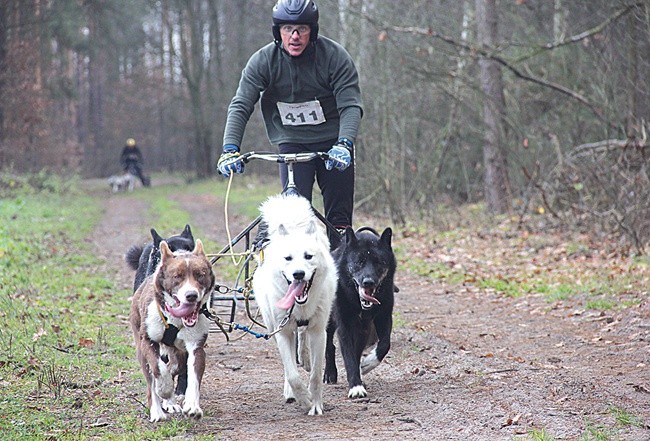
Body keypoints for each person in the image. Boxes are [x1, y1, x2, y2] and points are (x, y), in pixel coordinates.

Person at [217, 0, 362, 245]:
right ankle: (297, 278)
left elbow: (351, 105)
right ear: (278, 32)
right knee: (295, 217)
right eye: (287, 29)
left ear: (312, 31)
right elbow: (241, 104)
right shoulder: (263, 61)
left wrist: (345, 143)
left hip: (333, 144)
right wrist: (230, 148)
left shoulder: (334, 57)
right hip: (291, 143)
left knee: (338, 221)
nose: (294, 36)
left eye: (302, 29)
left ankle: (341, 279)